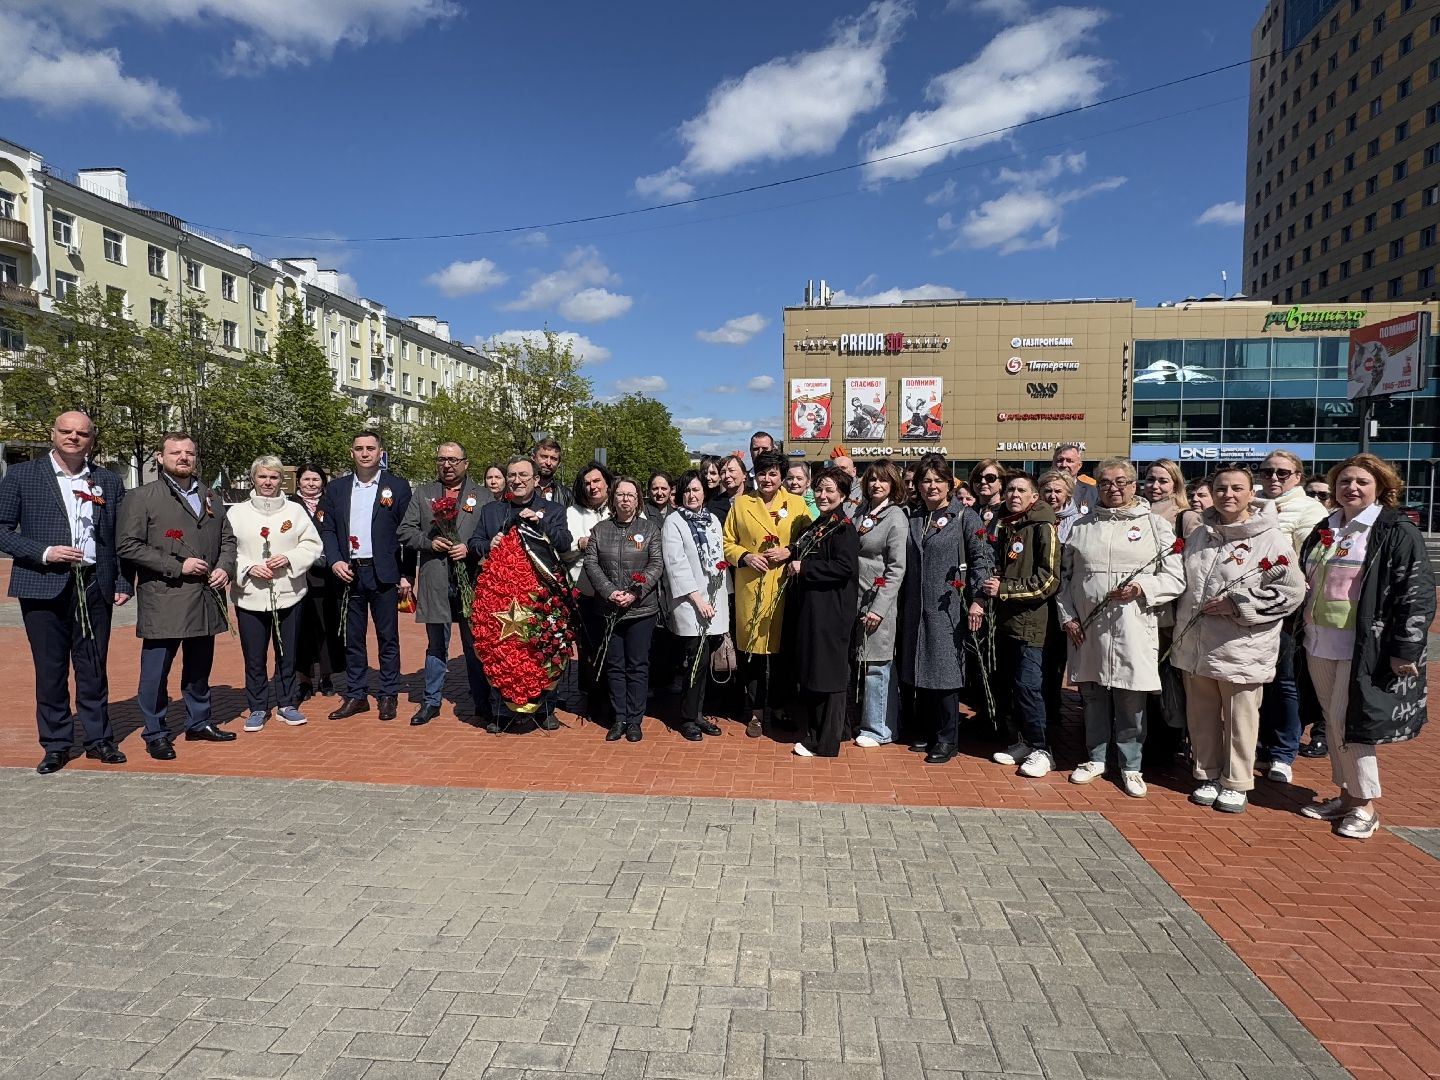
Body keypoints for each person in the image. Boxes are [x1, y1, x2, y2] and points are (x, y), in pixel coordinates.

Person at [1296, 454, 1434, 840]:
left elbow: (1416, 592)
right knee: (1333, 717)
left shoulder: (1394, 530)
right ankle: (1346, 795)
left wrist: (1407, 647)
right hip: (1319, 638)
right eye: (1344, 481)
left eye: (1361, 482)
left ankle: (1365, 806)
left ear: (1381, 489)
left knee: (1348, 723)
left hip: (1364, 646)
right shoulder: (1328, 527)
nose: (1350, 488)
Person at [0, 411, 131, 773]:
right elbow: (2, 528)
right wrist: (44, 552)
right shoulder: (23, 475)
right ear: (53, 433)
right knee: (51, 669)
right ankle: (56, 744)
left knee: (92, 667)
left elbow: (118, 537)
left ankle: (99, 739)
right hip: (43, 584)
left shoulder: (107, 480)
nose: (74, 438)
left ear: (91, 438)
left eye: (82, 433)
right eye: (67, 431)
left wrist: (121, 580)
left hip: (93, 583)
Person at [1171, 467, 1306, 814]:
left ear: (1250, 493)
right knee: (1200, 715)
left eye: (1236, 488)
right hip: (1197, 643)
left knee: (1239, 718)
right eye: (1220, 488)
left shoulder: (1270, 539)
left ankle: (1237, 781)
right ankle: (1208, 772)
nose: (1227, 494)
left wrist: (1238, 604)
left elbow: (1291, 592)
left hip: (1241, 646)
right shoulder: (1201, 534)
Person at [1056, 458, 1184, 797]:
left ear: (1134, 484)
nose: (1114, 488)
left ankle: (1130, 765)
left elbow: (1175, 576)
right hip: (1088, 626)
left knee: (1131, 698)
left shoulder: (1154, 525)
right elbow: (1065, 579)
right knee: (1093, 694)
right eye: (1107, 483)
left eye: (1122, 482)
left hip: (1132, 625)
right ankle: (1096, 758)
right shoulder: (1082, 526)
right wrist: (1067, 616)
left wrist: (1143, 588)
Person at [117, 431, 238, 760]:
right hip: (165, 597)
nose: (183, 458)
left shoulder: (210, 495)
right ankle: (155, 731)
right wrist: (176, 566)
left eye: (189, 453)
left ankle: (199, 721)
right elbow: (128, 545)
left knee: (200, 667)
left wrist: (225, 567)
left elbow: (227, 539)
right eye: (175, 453)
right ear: (160, 457)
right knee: (156, 672)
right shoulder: (142, 497)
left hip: (206, 597)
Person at [897, 454, 994, 764]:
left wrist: (978, 599)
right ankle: (926, 731)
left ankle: (947, 738)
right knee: (920, 669)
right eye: (926, 481)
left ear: (950, 484)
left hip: (949, 606)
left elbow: (982, 559)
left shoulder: (965, 517)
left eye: (938, 480)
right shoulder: (913, 517)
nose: (932, 486)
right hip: (916, 607)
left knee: (946, 673)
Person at [469, 455, 575, 729]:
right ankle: (501, 710)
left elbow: (564, 542)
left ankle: (545, 709)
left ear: (535, 480)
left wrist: (540, 523)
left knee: (543, 649)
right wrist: (487, 545)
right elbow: (474, 542)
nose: (517, 480)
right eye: (512, 475)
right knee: (501, 649)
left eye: (523, 475)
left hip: (541, 597)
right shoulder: (492, 510)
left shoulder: (552, 510)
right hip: (500, 597)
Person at [318, 430, 413, 722]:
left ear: (380, 452)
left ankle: (388, 694)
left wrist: (406, 574)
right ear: (352, 453)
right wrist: (334, 560)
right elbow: (327, 529)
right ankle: (357, 694)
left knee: (388, 637)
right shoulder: (336, 489)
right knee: (352, 638)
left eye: (370, 448)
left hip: (383, 573)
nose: (365, 453)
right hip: (347, 572)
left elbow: (407, 532)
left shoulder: (397, 486)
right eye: (359, 448)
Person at [228, 456, 324, 731]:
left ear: (282, 480)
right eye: (262, 477)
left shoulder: (295, 511)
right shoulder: (237, 512)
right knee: (255, 655)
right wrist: (247, 568)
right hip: (250, 596)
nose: (267, 482)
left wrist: (289, 558)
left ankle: (286, 703)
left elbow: (311, 545)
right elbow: (226, 550)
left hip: (289, 593)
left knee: (288, 653)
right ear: (253, 479)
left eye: (273, 477)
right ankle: (258, 706)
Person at [398, 441, 490, 727]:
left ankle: (482, 702)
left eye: (452, 459)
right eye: (441, 460)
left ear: (466, 463)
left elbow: (493, 536)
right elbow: (405, 530)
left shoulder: (484, 496)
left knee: (474, 645)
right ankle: (431, 700)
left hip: (470, 581)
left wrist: (471, 550)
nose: (447, 465)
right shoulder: (424, 493)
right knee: (436, 645)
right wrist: (429, 542)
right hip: (435, 578)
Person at [723, 450, 812, 737]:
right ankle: (755, 714)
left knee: (782, 656)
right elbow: (726, 543)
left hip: (784, 587)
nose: (767, 478)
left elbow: (811, 539)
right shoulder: (740, 504)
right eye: (762, 473)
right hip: (752, 587)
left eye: (773, 473)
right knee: (752, 656)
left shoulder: (797, 504)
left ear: (782, 476)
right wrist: (746, 556)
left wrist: (789, 550)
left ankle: (780, 708)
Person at [1256, 449, 1332, 776]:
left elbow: (1311, 559)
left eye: (1282, 473)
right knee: (1256, 681)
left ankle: (1283, 752)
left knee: (1285, 681)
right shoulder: (1253, 500)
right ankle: (1260, 743)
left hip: (1287, 607)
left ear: (1297, 477)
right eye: (1267, 471)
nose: (1274, 478)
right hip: (1249, 605)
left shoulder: (1309, 509)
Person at [983, 473, 1061, 778]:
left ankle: (1043, 749)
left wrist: (1004, 590)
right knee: (1014, 687)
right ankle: (1025, 742)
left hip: (1033, 623)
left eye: (1022, 490)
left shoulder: (1043, 527)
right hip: (1008, 622)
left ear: (1034, 497)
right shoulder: (1009, 525)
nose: (1015, 494)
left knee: (1030, 687)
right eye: (1011, 489)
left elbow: (1049, 580)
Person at [787, 468, 860, 758]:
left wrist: (805, 568)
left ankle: (823, 741)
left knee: (828, 676)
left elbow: (845, 567)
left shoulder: (842, 527)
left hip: (832, 612)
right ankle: (837, 731)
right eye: (819, 489)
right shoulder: (821, 523)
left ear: (842, 495)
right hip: (815, 610)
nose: (823, 495)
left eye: (830, 490)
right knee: (818, 671)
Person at [584, 478, 664, 742]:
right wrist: (610, 592)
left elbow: (655, 564)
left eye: (631, 495)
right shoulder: (600, 530)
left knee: (638, 665)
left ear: (638, 499)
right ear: (613, 498)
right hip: (608, 609)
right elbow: (592, 564)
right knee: (614, 665)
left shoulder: (650, 529)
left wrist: (634, 591)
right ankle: (619, 718)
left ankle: (635, 720)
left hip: (641, 610)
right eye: (620, 494)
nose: (625, 499)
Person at [662, 470, 728, 742]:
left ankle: (699, 713)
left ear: (705, 493)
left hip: (714, 602)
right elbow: (676, 565)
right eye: (687, 490)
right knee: (693, 662)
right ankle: (688, 717)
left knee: (705, 663)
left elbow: (719, 558)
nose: (692, 495)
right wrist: (698, 599)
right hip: (692, 604)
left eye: (697, 490)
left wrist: (718, 601)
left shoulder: (712, 519)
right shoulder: (673, 522)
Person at [852, 462, 907, 748]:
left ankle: (880, 728)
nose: (876, 484)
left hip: (878, 601)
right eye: (872, 479)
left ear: (893, 484)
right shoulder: (861, 512)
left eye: (883, 480)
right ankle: (868, 721)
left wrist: (878, 607)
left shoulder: (895, 517)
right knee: (863, 662)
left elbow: (896, 568)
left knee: (878, 664)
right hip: (856, 598)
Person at [564, 461, 613, 723]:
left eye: (597, 481)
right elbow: (564, 548)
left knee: (614, 648)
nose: (592, 487)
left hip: (616, 589)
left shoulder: (618, 507)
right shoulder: (573, 512)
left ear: (607, 483)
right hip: (585, 589)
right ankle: (594, 701)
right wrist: (579, 543)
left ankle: (614, 699)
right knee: (590, 650)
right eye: (587, 483)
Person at [290, 465, 344, 702]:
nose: (311, 484)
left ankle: (327, 675)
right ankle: (303, 679)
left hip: (327, 577)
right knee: (301, 629)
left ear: (323, 482)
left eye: (316, 479)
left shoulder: (330, 502)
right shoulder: (290, 504)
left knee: (326, 626)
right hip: (298, 575)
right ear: (298, 482)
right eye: (306, 479)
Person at [1036, 468, 1079, 732]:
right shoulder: (1035, 519)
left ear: (1068, 494)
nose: (1052, 496)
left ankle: (1053, 709)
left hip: (1067, 600)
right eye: (1047, 491)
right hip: (1039, 600)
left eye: (1057, 491)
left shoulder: (1078, 522)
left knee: (1057, 660)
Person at [1052, 444, 1098, 515]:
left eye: (1069, 461)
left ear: (1079, 465)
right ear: (1053, 464)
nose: (1064, 465)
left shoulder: (1092, 492)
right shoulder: (1040, 491)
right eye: (1060, 460)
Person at [1142, 459, 1186, 526]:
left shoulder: (1183, 516)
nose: (1154, 486)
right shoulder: (1132, 510)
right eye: (1150, 480)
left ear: (1175, 486)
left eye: (1163, 481)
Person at [533, 437, 572, 507]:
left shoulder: (567, 495)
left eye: (553, 459)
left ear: (559, 464)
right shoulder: (520, 489)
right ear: (533, 458)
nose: (548, 463)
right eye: (544, 457)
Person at [708, 454, 746, 521]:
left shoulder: (756, 498)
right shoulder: (713, 506)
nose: (727, 475)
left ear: (744, 475)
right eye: (723, 472)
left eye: (731, 470)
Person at [968, 460, 1005, 527]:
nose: (983, 481)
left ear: (1001, 483)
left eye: (990, 478)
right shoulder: (966, 514)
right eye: (977, 478)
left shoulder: (1008, 513)